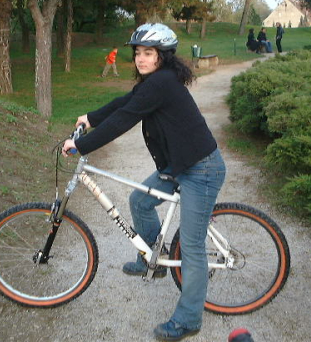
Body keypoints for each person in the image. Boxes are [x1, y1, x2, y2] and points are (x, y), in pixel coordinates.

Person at [62, 23, 226, 341]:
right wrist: (91, 118)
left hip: (201, 170)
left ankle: (188, 320)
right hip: (177, 165)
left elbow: (124, 119)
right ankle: (153, 258)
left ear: (163, 56)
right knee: (140, 201)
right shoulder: (154, 82)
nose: (140, 58)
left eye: (148, 53)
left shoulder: (162, 82)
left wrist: (81, 146)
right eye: (138, 52)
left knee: (192, 246)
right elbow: (124, 102)